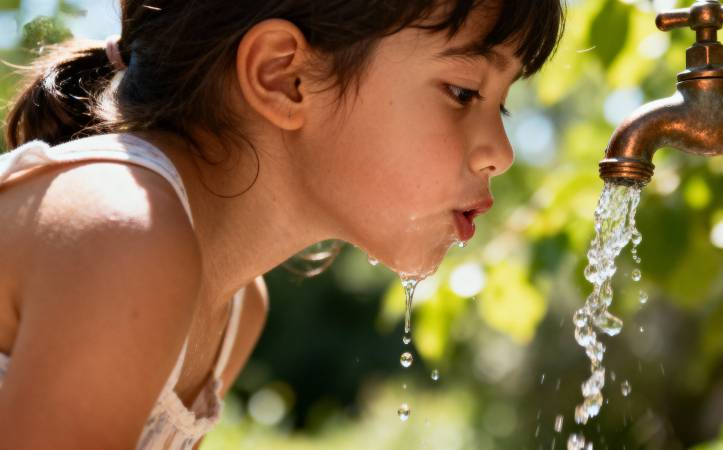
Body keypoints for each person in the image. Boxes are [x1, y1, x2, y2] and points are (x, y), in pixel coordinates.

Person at [0, 0, 563, 448]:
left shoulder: (238, 310)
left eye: (502, 106)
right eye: (464, 92)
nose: (502, 153)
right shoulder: (123, 231)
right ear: (283, 76)